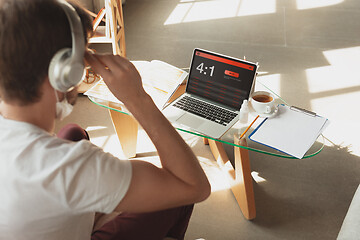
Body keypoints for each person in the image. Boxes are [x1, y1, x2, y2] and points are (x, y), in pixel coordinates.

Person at [0, 0, 211, 239]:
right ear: (64, 73)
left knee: (72, 133)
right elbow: (195, 187)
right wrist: (137, 98)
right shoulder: (70, 166)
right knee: (178, 197)